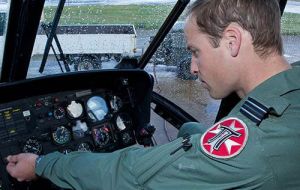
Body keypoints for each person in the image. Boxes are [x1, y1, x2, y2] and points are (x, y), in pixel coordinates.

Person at [6, 0, 300, 189]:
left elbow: (129, 175)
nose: (193, 68)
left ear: (232, 41)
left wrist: (43, 165)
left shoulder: (254, 144)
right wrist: (192, 133)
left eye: (195, 52)